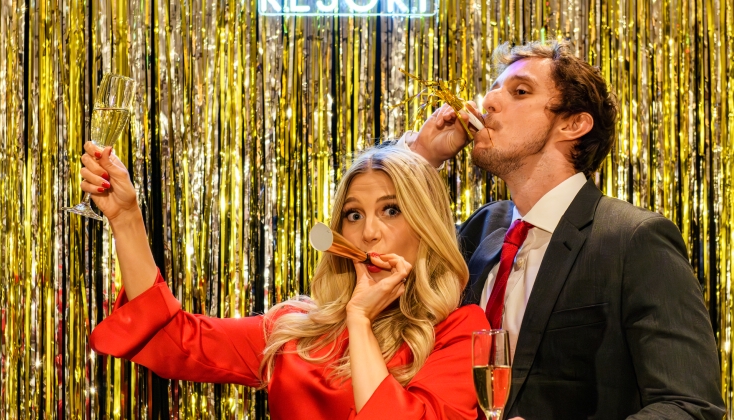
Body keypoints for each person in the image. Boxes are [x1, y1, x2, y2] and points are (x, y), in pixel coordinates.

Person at [405, 40, 726, 418]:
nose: (488, 102)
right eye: (493, 89)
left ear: (573, 124)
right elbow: (386, 264)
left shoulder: (634, 240)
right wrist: (420, 159)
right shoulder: (480, 230)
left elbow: (690, 406)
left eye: (519, 91)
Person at [82, 143, 489, 419]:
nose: (369, 233)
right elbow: (171, 338)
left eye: (391, 210)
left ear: (427, 225)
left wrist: (360, 320)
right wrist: (126, 218)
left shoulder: (461, 332)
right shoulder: (295, 330)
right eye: (354, 215)